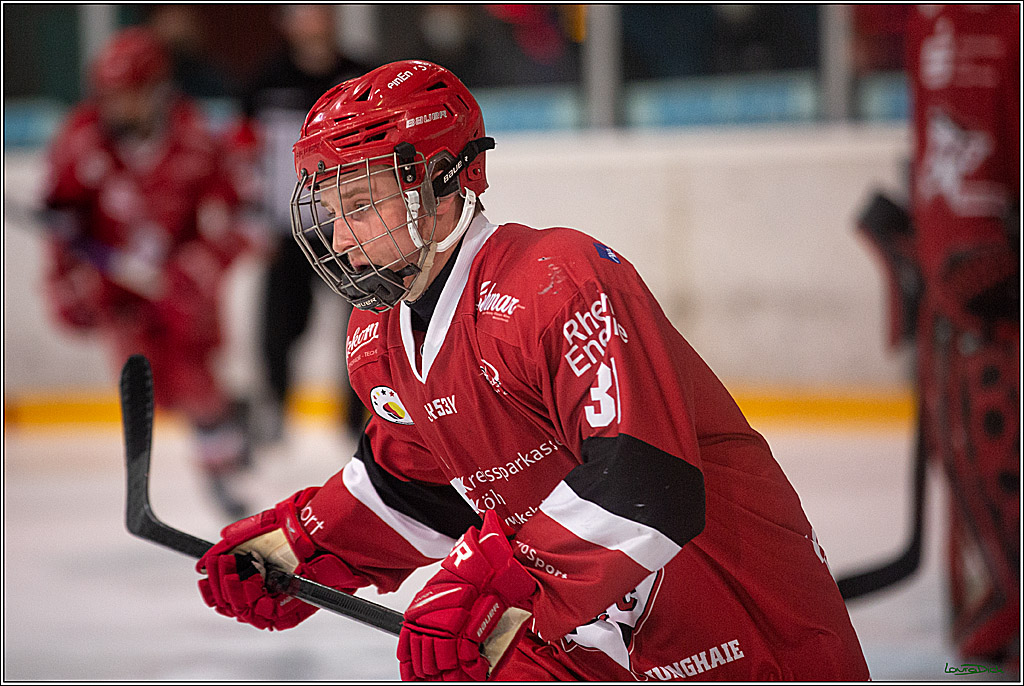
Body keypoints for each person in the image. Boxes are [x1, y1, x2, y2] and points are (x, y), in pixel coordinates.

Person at [194, 60, 870, 681]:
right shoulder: (379, 338)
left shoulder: (557, 281)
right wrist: (303, 545)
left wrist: (505, 583)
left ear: (442, 181)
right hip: (601, 628)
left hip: (744, 626)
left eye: (362, 206)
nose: (340, 240)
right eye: (331, 213)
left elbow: (645, 485)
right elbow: (421, 487)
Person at [41, 27, 252, 518]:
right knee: (144, 384)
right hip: (116, 292)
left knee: (196, 381)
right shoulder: (81, 139)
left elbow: (240, 215)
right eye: (111, 95)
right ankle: (217, 431)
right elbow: (61, 221)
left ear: (156, 89)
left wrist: (201, 266)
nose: (119, 106)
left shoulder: (195, 136)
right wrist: (63, 282)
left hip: (179, 286)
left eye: (130, 94)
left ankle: (220, 467)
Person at [905, 5, 1019, 671]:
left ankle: (990, 631)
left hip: (985, 284)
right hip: (962, 287)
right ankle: (985, 631)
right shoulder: (931, 18)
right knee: (975, 461)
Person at [231, 5, 371, 444]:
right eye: (300, 11)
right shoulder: (263, 81)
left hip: (355, 225)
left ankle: (361, 417)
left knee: (365, 321)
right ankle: (273, 408)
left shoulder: (361, 75)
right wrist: (252, 219)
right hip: (286, 230)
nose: (312, 19)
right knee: (277, 326)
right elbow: (244, 152)